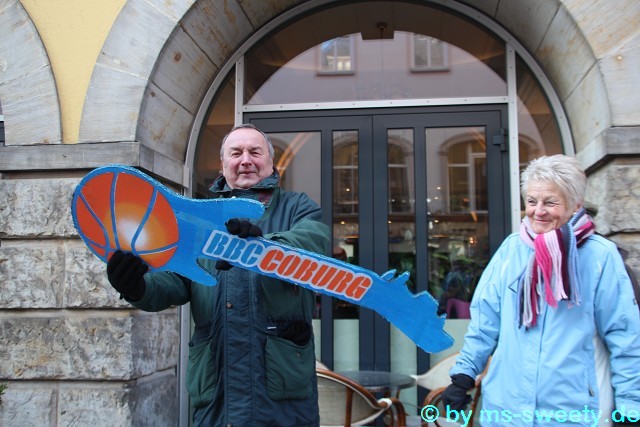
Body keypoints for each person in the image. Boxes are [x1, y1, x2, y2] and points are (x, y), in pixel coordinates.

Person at [105, 124, 330, 426]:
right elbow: (174, 281)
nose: (246, 160)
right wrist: (137, 287)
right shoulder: (195, 219)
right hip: (216, 397)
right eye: (236, 153)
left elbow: (314, 243)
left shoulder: (297, 207)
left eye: (255, 152)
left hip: (283, 399)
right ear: (223, 165)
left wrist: (262, 247)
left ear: (270, 162)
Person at [441, 155, 640, 426]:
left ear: (575, 205)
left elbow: (625, 336)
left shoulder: (600, 256)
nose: (538, 211)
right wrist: (463, 375)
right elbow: (485, 323)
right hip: (506, 409)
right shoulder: (511, 249)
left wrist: (630, 406)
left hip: (572, 413)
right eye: (532, 201)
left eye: (550, 202)